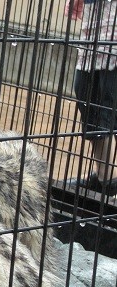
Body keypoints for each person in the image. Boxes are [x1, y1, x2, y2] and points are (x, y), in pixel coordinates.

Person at [65, 0, 117, 195]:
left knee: (102, 103)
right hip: (97, 23)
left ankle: (109, 183)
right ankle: (106, 177)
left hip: (111, 29)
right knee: (91, 97)